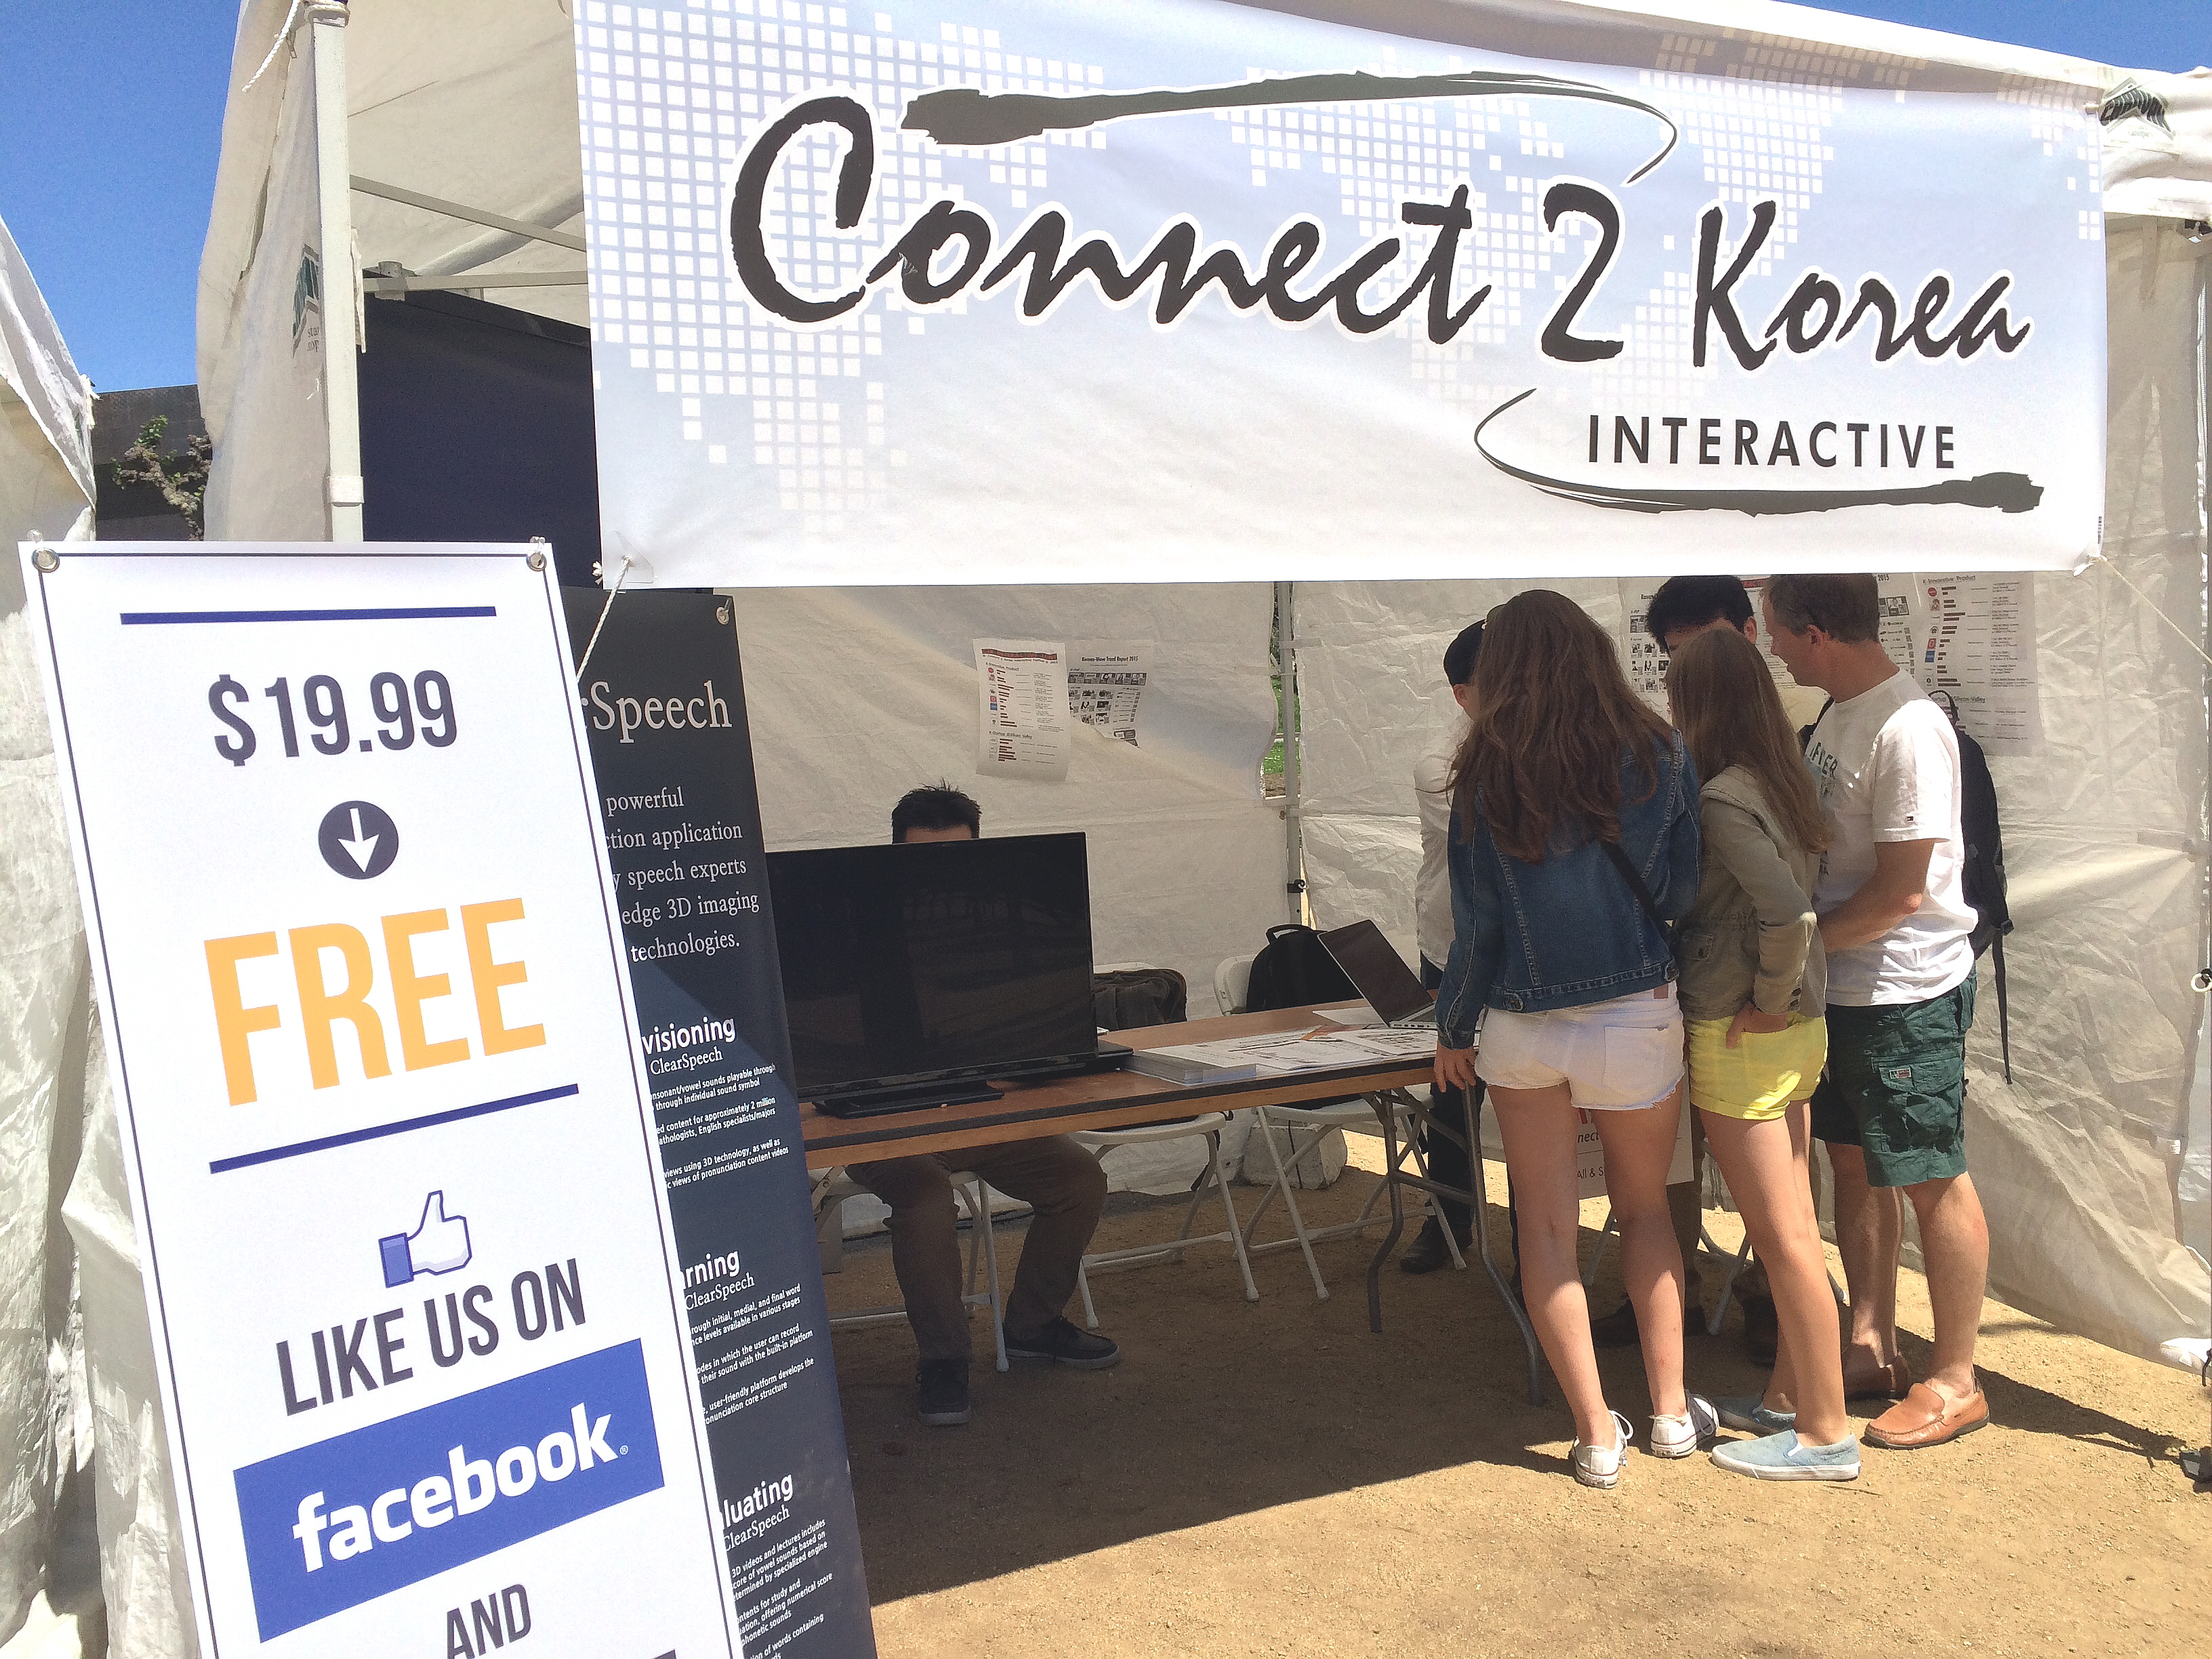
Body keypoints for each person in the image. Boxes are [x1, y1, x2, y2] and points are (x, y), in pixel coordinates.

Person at [1433, 591, 1711, 1488]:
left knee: (1547, 1229)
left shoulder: (1484, 771)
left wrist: (1452, 1026)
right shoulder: (1661, 753)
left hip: (1522, 1025)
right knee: (1646, 1213)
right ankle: (1671, 1415)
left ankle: (1596, 1435)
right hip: (1637, 1013)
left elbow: (1476, 927)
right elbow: (1681, 891)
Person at [1763, 575, 1992, 1451]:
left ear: (1816, 632)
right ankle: (1871, 1343)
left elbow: (1901, 893)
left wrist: (1798, 950)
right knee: (1854, 1163)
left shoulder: (1908, 727)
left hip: (1904, 992)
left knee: (1932, 1174)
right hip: (1848, 991)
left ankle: (1956, 1379)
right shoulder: (1842, 713)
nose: (1773, 647)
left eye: (1778, 632)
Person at [844, 783, 1118, 1427]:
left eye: (959, 857)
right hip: (885, 1123)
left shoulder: (999, 922)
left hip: (979, 1110)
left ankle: (1031, 1327)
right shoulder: (857, 927)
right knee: (926, 1199)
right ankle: (944, 1360)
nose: (943, 874)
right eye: (925, 859)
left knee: (1080, 1179)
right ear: (893, 855)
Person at [1664, 628, 1858, 1481]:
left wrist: (1764, 1002)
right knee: (1794, 1232)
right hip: (1798, 1031)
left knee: (1784, 1243)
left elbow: (1789, 914)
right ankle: (1789, 1399)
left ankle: (1825, 1434)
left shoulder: (1721, 797)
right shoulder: (1785, 781)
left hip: (1746, 1031)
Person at [1401, 619, 1484, 1274]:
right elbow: (1498, 844)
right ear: (1464, 695)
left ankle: (1539, 1239)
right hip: (1455, 943)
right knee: (1454, 1090)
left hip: (1529, 950)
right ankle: (1448, 1218)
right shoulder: (1440, 764)